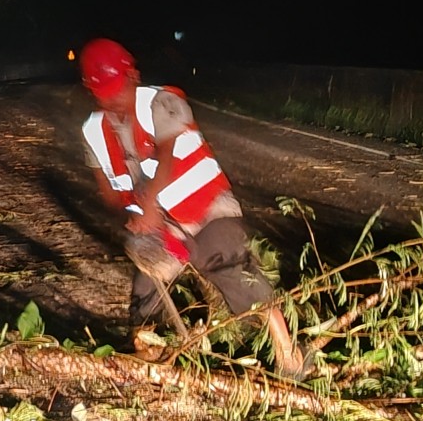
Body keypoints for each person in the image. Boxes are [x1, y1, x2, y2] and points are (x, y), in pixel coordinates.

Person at [76, 38, 306, 379]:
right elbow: (109, 194)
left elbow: (166, 157)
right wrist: (135, 219)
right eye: (103, 91)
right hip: (162, 226)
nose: (112, 98)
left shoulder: (164, 101)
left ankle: (289, 355)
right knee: (146, 292)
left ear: (133, 75)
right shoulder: (92, 132)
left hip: (206, 208)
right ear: (90, 89)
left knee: (230, 269)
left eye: (117, 88)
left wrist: (150, 202)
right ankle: (151, 360)